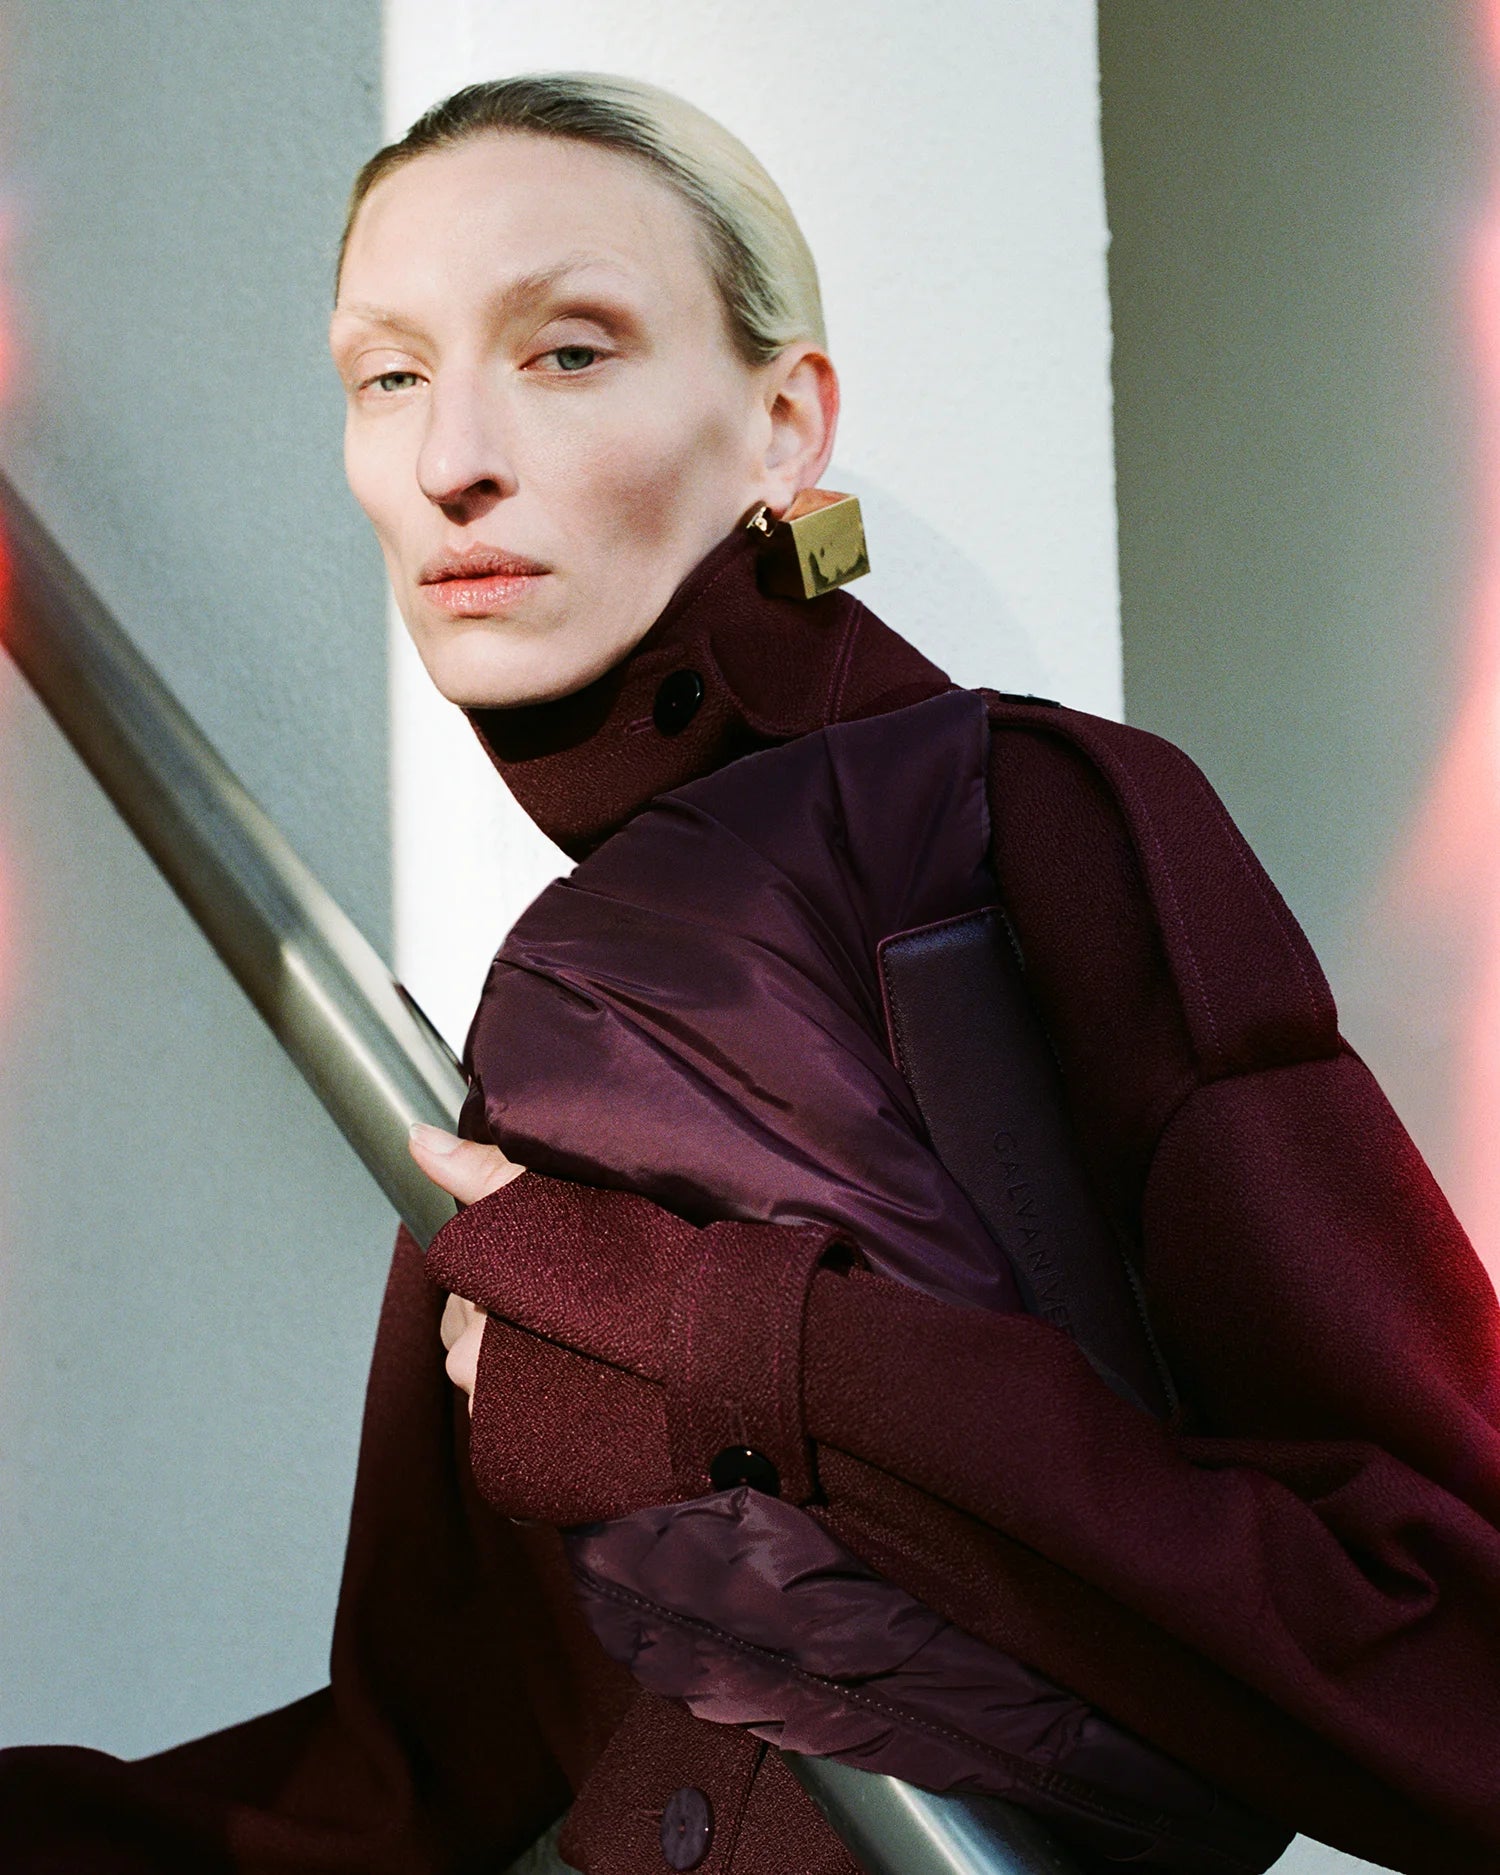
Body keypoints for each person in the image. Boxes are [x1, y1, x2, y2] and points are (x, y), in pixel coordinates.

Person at [3, 69, 1500, 1875]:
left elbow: (1446, 1670)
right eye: (386, 373)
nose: (447, 453)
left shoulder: (1023, 818)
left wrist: (715, 1344)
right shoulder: (544, 1038)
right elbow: (413, 1780)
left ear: (784, 424)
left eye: (566, 351)